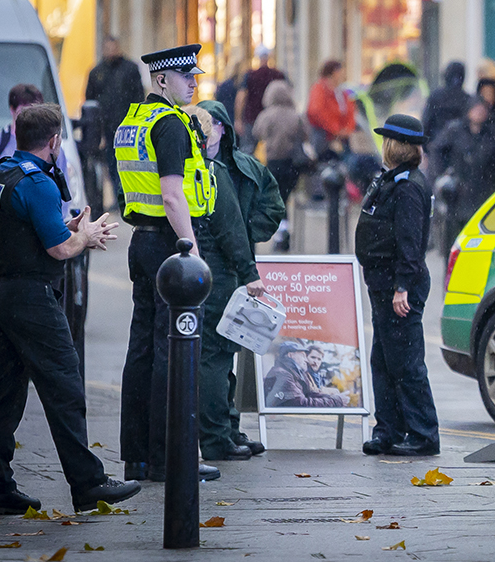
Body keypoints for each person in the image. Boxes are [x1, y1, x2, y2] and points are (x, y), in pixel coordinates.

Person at [0, 103, 140, 515]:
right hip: (32, 300)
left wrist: (75, 231)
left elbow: (25, 233)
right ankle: (89, 485)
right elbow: (60, 249)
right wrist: (83, 236)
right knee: (65, 387)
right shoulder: (39, 184)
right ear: (53, 141)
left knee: (3, 395)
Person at [115, 44, 220, 484]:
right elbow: (174, 194)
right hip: (168, 244)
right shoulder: (171, 125)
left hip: (142, 241)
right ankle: (168, 456)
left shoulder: (133, 120)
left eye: (194, 76)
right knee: (171, 350)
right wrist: (191, 250)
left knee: (142, 348)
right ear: (161, 80)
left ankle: (137, 456)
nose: (194, 82)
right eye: (185, 77)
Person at [191, 98, 283, 455]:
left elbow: (270, 206)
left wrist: (249, 232)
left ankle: (226, 429)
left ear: (224, 129)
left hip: (215, 266)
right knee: (214, 354)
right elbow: (227, 228)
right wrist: (247, 265)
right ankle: (216, 438)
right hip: (218, 268)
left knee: (224, 351)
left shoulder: (242, 168)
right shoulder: (208, 171)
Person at [355, 114, 439, 457]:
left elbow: (410, 243)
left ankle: (423, 434)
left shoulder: (407, 187)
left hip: (397, 285)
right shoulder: (394, 180)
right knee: (385, 360)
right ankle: (388, 429)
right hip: (384, 283)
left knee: (406, 363)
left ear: (395, 146)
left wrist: (402, 286)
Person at [428, 98, 495, 255]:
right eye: (476, 109)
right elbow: (436, 149)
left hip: (483, 193)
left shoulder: (491, 134)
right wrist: (442, 175)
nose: (479, 113)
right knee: (454, 244)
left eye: (482, 110)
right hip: (458, 195)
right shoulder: (455, 130)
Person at [252, 79, 312, 250]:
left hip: (273, 163)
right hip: (293, 164)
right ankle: (285, 233)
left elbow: (257, 133)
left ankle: (281, 234)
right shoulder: (296, 115)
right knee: (284, 198)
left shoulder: (266, 115)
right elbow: (305, 135)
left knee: (277, 200)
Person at [85, 36, 145, 199]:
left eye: (113, 47)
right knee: (112, 162)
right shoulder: (97, 72)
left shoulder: (130, 69)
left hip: (128, 125)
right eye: (107, 48)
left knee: (129, 161)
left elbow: (138, 95)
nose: (110, 51)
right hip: (108, 127)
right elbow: (90, 100)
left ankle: (129, 193)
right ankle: (117, 194)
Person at [0, 84, 63, 181]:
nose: (30, 118)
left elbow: (64, 191)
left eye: (35, 112)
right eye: (24, 112)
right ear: (12, 109)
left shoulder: (53, 148)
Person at [263, 341, 347, 408]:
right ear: (291, 355)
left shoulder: (294, 374)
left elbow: (310, 394)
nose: (306, 360)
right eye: (303, 355)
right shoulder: (283, 375)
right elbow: (301, 403)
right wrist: (335, 401)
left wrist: (335, 398)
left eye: (319, 359)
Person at [235, 46, 285, 152]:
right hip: (274, 118)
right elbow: (287, 93)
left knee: (247, 151)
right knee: (275, 151)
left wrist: (238, 119)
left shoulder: (250, 75)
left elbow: (241, 98)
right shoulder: (277, 75)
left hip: (252, 117)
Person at [307, 60, 356, 159]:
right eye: (341, 71)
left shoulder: (341, 92)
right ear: (334, 73)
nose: (343, 74)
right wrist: (335, 130)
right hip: (325, 139)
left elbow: (350, 111)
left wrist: (347, 130)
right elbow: (316, 112)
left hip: (341, 139)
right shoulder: (319, 89)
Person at [420, 61, 469, 145]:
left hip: (438, 144)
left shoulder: (436, 96)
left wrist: (426, 146)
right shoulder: (466, 98)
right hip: (459, 148)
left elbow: (426, 123)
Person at [215, 57, 245, 125]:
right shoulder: (239, 85)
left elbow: (218, 97)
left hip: (224, 113)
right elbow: (239, 102)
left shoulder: (226, 84)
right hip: (232, 115)